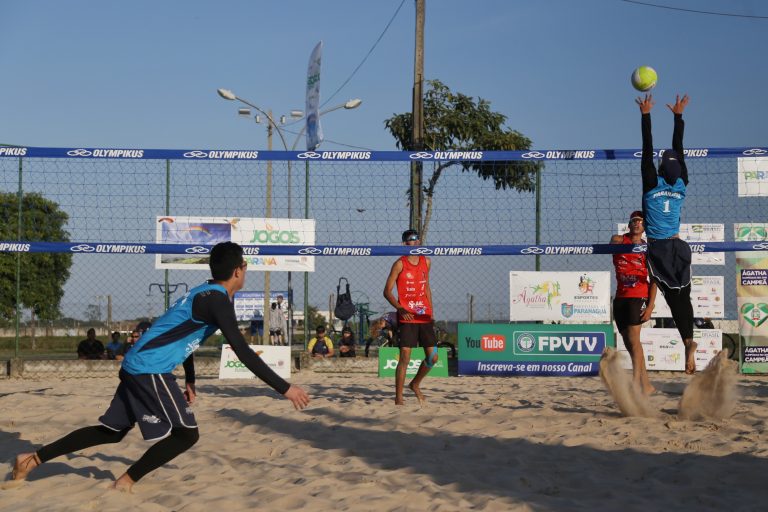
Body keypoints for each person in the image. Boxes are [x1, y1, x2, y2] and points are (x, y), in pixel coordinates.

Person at [12, 242, 309, 491]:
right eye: (245, 266)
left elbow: (181, 335)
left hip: (138, 364)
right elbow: (242, 350)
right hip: (148, 369)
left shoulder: (202, 293)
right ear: (238, 271)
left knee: (112, 432)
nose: (246, 270)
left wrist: (190, 380)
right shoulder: (217, 301)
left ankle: (31, 459)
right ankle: (125, 482)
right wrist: (285, 387)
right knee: (187, 434)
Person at [636, 93, 697, 374]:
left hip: (660, 248)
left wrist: (646, 115)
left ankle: (687, 342)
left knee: (673, 300)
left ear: (660, 168)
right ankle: (689, 341)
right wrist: (678, 117)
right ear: (678, 171)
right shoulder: (682, 184)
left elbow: (647, 149)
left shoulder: (651, 183)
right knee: (683, 298)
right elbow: (679, 150)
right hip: (678, 247)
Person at [384, 229, 438, 405]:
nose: (413, 242)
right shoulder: (399, 264)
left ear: (419, 241)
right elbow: (387, 291)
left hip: (423, 315)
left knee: (433, 357)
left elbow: (427, 287)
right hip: (407, 316)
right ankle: (398, 398)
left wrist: (432, 310)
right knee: (405, 356)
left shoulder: (426, 261)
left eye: (415, 239)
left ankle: (415, 384)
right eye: (409, 240)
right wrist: (400, 309)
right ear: (404, 244)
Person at [611, 210, 657, 394]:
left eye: (640, 221)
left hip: (638, 295)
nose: (637, 223)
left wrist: (651, 306)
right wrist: (629, 245)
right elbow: (614, 240)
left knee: (633, 339)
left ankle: (636, 382)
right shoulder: (620, 241)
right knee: (630, 343)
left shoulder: (648, 249)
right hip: (620, 297)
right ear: (629, 225)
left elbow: (655, 280)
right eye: (634, 221)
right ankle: (647, 385)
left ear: (644, 227)